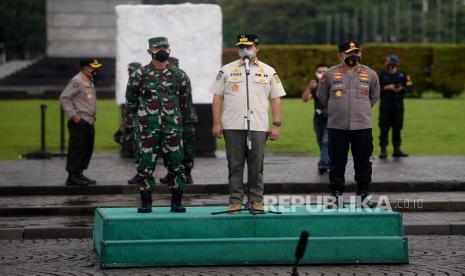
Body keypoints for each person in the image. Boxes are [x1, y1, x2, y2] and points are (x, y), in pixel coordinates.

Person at [210, 34, 286, 213]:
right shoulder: (227, 69)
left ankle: (256, 201)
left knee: (256, 165)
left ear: (257, 47)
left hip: (258, 126)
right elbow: (217, 96)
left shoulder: (268, 70)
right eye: (241, 46)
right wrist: (216, 122)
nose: (245, 49)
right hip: (232, 125)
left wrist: (276, 124)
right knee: (234, 165)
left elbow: (275, 99)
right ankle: (235, 201)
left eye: (249, 46)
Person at [125, 37, 191, 213]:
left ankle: (176, 202)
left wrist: (177, 121)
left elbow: (185, 103)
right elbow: (131, 102)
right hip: (147, 129)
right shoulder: (139, 74)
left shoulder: (179, 75)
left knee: (176, 164)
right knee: (145, 165)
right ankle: (146, 202)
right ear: (149, 51)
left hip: (172, 128)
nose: (162, 50)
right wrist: (138, 121)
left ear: (169, 49)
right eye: (157, 47)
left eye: (165, 46)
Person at [317, 41, 380, 208]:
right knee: (337, 162)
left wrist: (361, 109)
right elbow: (322, 96)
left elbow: (374, 96)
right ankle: (336, 195)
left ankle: (364, 195)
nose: (353, 55)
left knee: (363, 162)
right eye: (349, 52)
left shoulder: (370, 74)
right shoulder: (329, 74)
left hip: (362, 126)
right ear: (340, 55)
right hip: (337, 126)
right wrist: (337, 109)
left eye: (356, 52)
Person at [60, 58, 102, 186]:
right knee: (77, 148)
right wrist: (73, 115)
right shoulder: (77, 81)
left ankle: (79, 173)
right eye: (92, 67)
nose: (95, 69)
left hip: (88, 121)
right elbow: (64, 98)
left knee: (87, 148)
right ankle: (72, 176)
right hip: (80, 121)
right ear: (84, 68)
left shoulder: (88, 80)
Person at [159, 58, 198, 185]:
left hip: (185, 118)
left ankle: (187, 174)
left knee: (187, 147)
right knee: (169, 147)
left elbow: (184, 101)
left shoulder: (181, 77)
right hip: (170, 119)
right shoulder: (163, 79)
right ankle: (171, 173)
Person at [378, 54, 413, 159]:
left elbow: (410, 89)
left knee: (397, 128)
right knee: (384, 128)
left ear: (394, 62)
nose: (387, 63)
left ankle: (397, 150)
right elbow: (375, 90)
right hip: (385, 107)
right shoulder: (381, 75)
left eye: (388, 61)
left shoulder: (404, 75)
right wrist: (386, 87)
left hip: (398, 107)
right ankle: (383, 150)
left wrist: (402, 89)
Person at [302, 63, 330, 175]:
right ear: (316, 73)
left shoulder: (334, 84)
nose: (322, 73)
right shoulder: (315, 86)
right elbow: (304, 99)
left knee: (326, 141)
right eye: (320, 71)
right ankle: (329, 159)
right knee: (320, 141)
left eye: (325, 71)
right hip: (318, 118)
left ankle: (323, 164)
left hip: (331, 118)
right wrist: (309, 88)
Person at [114, 62, 142, 159]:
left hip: (138, 118)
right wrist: (123, 119)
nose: (129, 73)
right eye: (129, 71)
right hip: (129, 118)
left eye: (131, 70)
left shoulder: (142, 83)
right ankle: (128, 151)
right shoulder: (131, 82)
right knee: (126, 137)